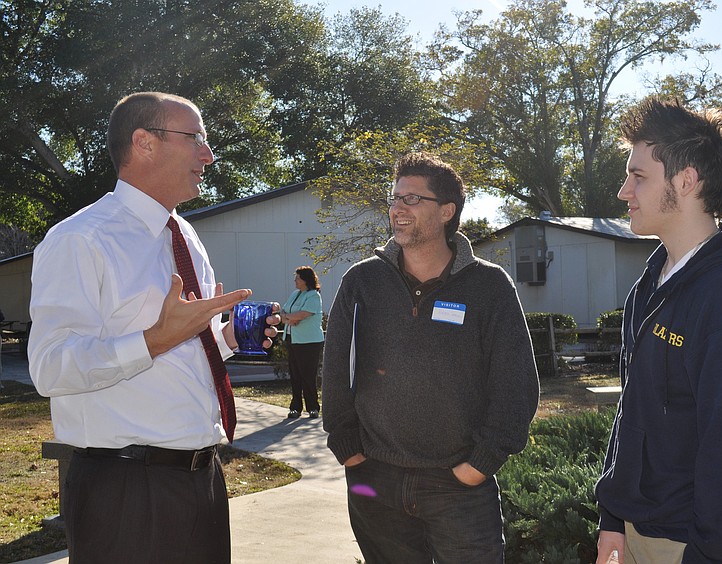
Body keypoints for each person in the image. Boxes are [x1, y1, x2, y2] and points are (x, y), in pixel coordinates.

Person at [28, 91, 279, 564]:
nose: (208, 154)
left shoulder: (185, 235)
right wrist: (154, 339)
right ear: (143, 142)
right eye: (196, 138)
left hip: (202, 478)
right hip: (124, 489)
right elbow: (49, 368)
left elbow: (179, 348)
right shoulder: (79, 240)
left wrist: (222, 339)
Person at [594, 97, 722, 564]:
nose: (624, 191)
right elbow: (633, 410)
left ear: (686, 181)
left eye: (638, 176)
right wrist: (614, 520)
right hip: (639, 534)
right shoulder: (653, 280)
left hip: (697, 548)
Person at [322, 151, 540, 563]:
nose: (397, 209)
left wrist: (481, 462)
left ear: (446, 211)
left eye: (411, 200)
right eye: (394, 199)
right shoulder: (362, 281)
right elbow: (335, 370)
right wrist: (346, 447)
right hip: (376, 480)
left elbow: (516, 383)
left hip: (459, 485)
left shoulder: (489, 287)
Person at [281, 265, 324, 419]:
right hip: (292, 339)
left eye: (297, 278)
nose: (295, 280)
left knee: (308, 375)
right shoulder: (295, 294)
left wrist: (289, 318)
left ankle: (313, 407)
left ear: (305, 280)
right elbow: (283, 311)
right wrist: (289, 319)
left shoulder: (313, 296)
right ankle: (295, 408)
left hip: (309, 342)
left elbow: (304, 314)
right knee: (295, 375)